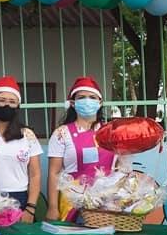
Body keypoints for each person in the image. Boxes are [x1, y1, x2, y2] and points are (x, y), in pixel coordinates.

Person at [45, 76, 116, 222]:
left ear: (100, 102)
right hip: (73, 202)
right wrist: (53, 207)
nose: (87, 101)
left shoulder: (112, 132)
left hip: (107, 202)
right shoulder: (61, 134)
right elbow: (54, 173)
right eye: (81, 97)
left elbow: (121, 166)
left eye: (92, 97)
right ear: (72, 103)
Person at [0, 76, 42, 221]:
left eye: (12, 102)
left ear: (18, 106)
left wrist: (30, 208)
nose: (7, 106)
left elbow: (35, 174)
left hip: (19, 200)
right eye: (2, 101)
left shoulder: (27, 135)